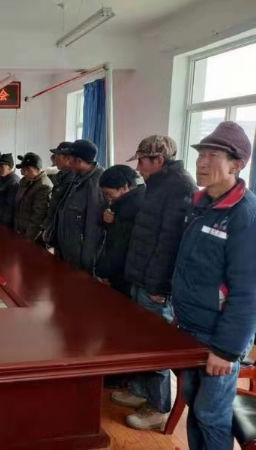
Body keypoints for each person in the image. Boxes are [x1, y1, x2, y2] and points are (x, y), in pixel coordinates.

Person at [173, 121, 256, 450]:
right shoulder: (201, 205)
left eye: (212, 156)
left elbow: (248, 292)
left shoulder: (245, 215)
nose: (202, 162)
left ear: (237, 165)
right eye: (200, 155)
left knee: (211, 414)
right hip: (190, 327)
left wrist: (226, 350)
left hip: (218, 335)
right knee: (195, 405)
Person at [111, 135, 197, 430]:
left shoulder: (180, 188)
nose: (138, 168)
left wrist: (161, 287)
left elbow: (171, 244)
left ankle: (158, 407)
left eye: (142, 161)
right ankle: (139, 392)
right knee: (140, 341)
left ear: (158, 160)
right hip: (141, 276)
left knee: (156, 346)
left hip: (156, 284)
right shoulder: (156, 185)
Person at [53, 139, 106, 273]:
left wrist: (87, 262)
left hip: (79, 257)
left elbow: (93, 228)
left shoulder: (96, 183)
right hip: (67, 249)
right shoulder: (78, 177)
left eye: (70, 159)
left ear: (79, 161)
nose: (68, 162)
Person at [94, 165, 145, 296]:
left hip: (125, 274)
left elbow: (120, 246)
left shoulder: (132, 208)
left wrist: (104, 272)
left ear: (123, 188)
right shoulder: (126, 201)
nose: (107, 198)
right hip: (122, 272)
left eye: (108, 194)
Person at [43, 142, 76, 250]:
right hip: (55, 230)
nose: (54, 159)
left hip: (64, 234)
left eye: (57, 156)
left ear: (67, 158)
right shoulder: (60, 176)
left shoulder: (73, 180)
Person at [13, 152, 52, 241]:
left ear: (37, 169)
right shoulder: (25, 181)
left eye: (28, 169)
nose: (24, 173)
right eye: (23, 169)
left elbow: (38, 217)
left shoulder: (44, 186)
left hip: (31, 236)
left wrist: (28, 238)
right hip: (19, 230)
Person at [0, 153, 20, 227]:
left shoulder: (14, 182)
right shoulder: (1, 179)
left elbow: (10, 206)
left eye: (1, 166)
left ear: (10, 167)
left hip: (7, 223)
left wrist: (3, 222)